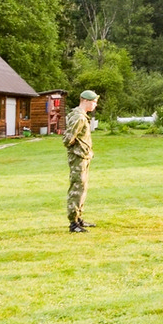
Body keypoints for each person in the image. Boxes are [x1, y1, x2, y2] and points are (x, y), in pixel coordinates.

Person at [63, 89, 99, 233]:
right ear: (85, 101)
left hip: (83, 156)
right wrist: (77, 148)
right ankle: (73, 223)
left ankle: (78, 218)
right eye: (94, 102)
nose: (95, 105)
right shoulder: (79, 117)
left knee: (82, 187)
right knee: (77, 188)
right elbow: (67, 139)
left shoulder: (82, 116)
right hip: (78, 157)